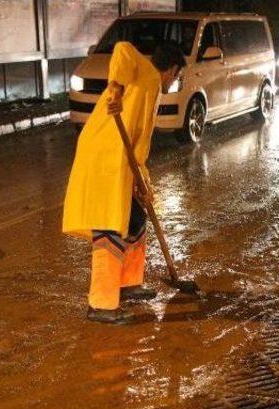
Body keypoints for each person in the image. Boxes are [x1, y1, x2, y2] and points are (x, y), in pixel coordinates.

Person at [63, 41, 186, 324]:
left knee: (135, 219)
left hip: (124, 162)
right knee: (109, 228)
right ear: (171, 69)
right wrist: (115, 88)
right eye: (177, 76)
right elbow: (122, 49)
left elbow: (138, 144)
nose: (175, 81)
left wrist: (143, 182)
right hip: (105, 161)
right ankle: (102, 305)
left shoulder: (150, 86)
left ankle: (128, 284)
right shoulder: (145, 73)